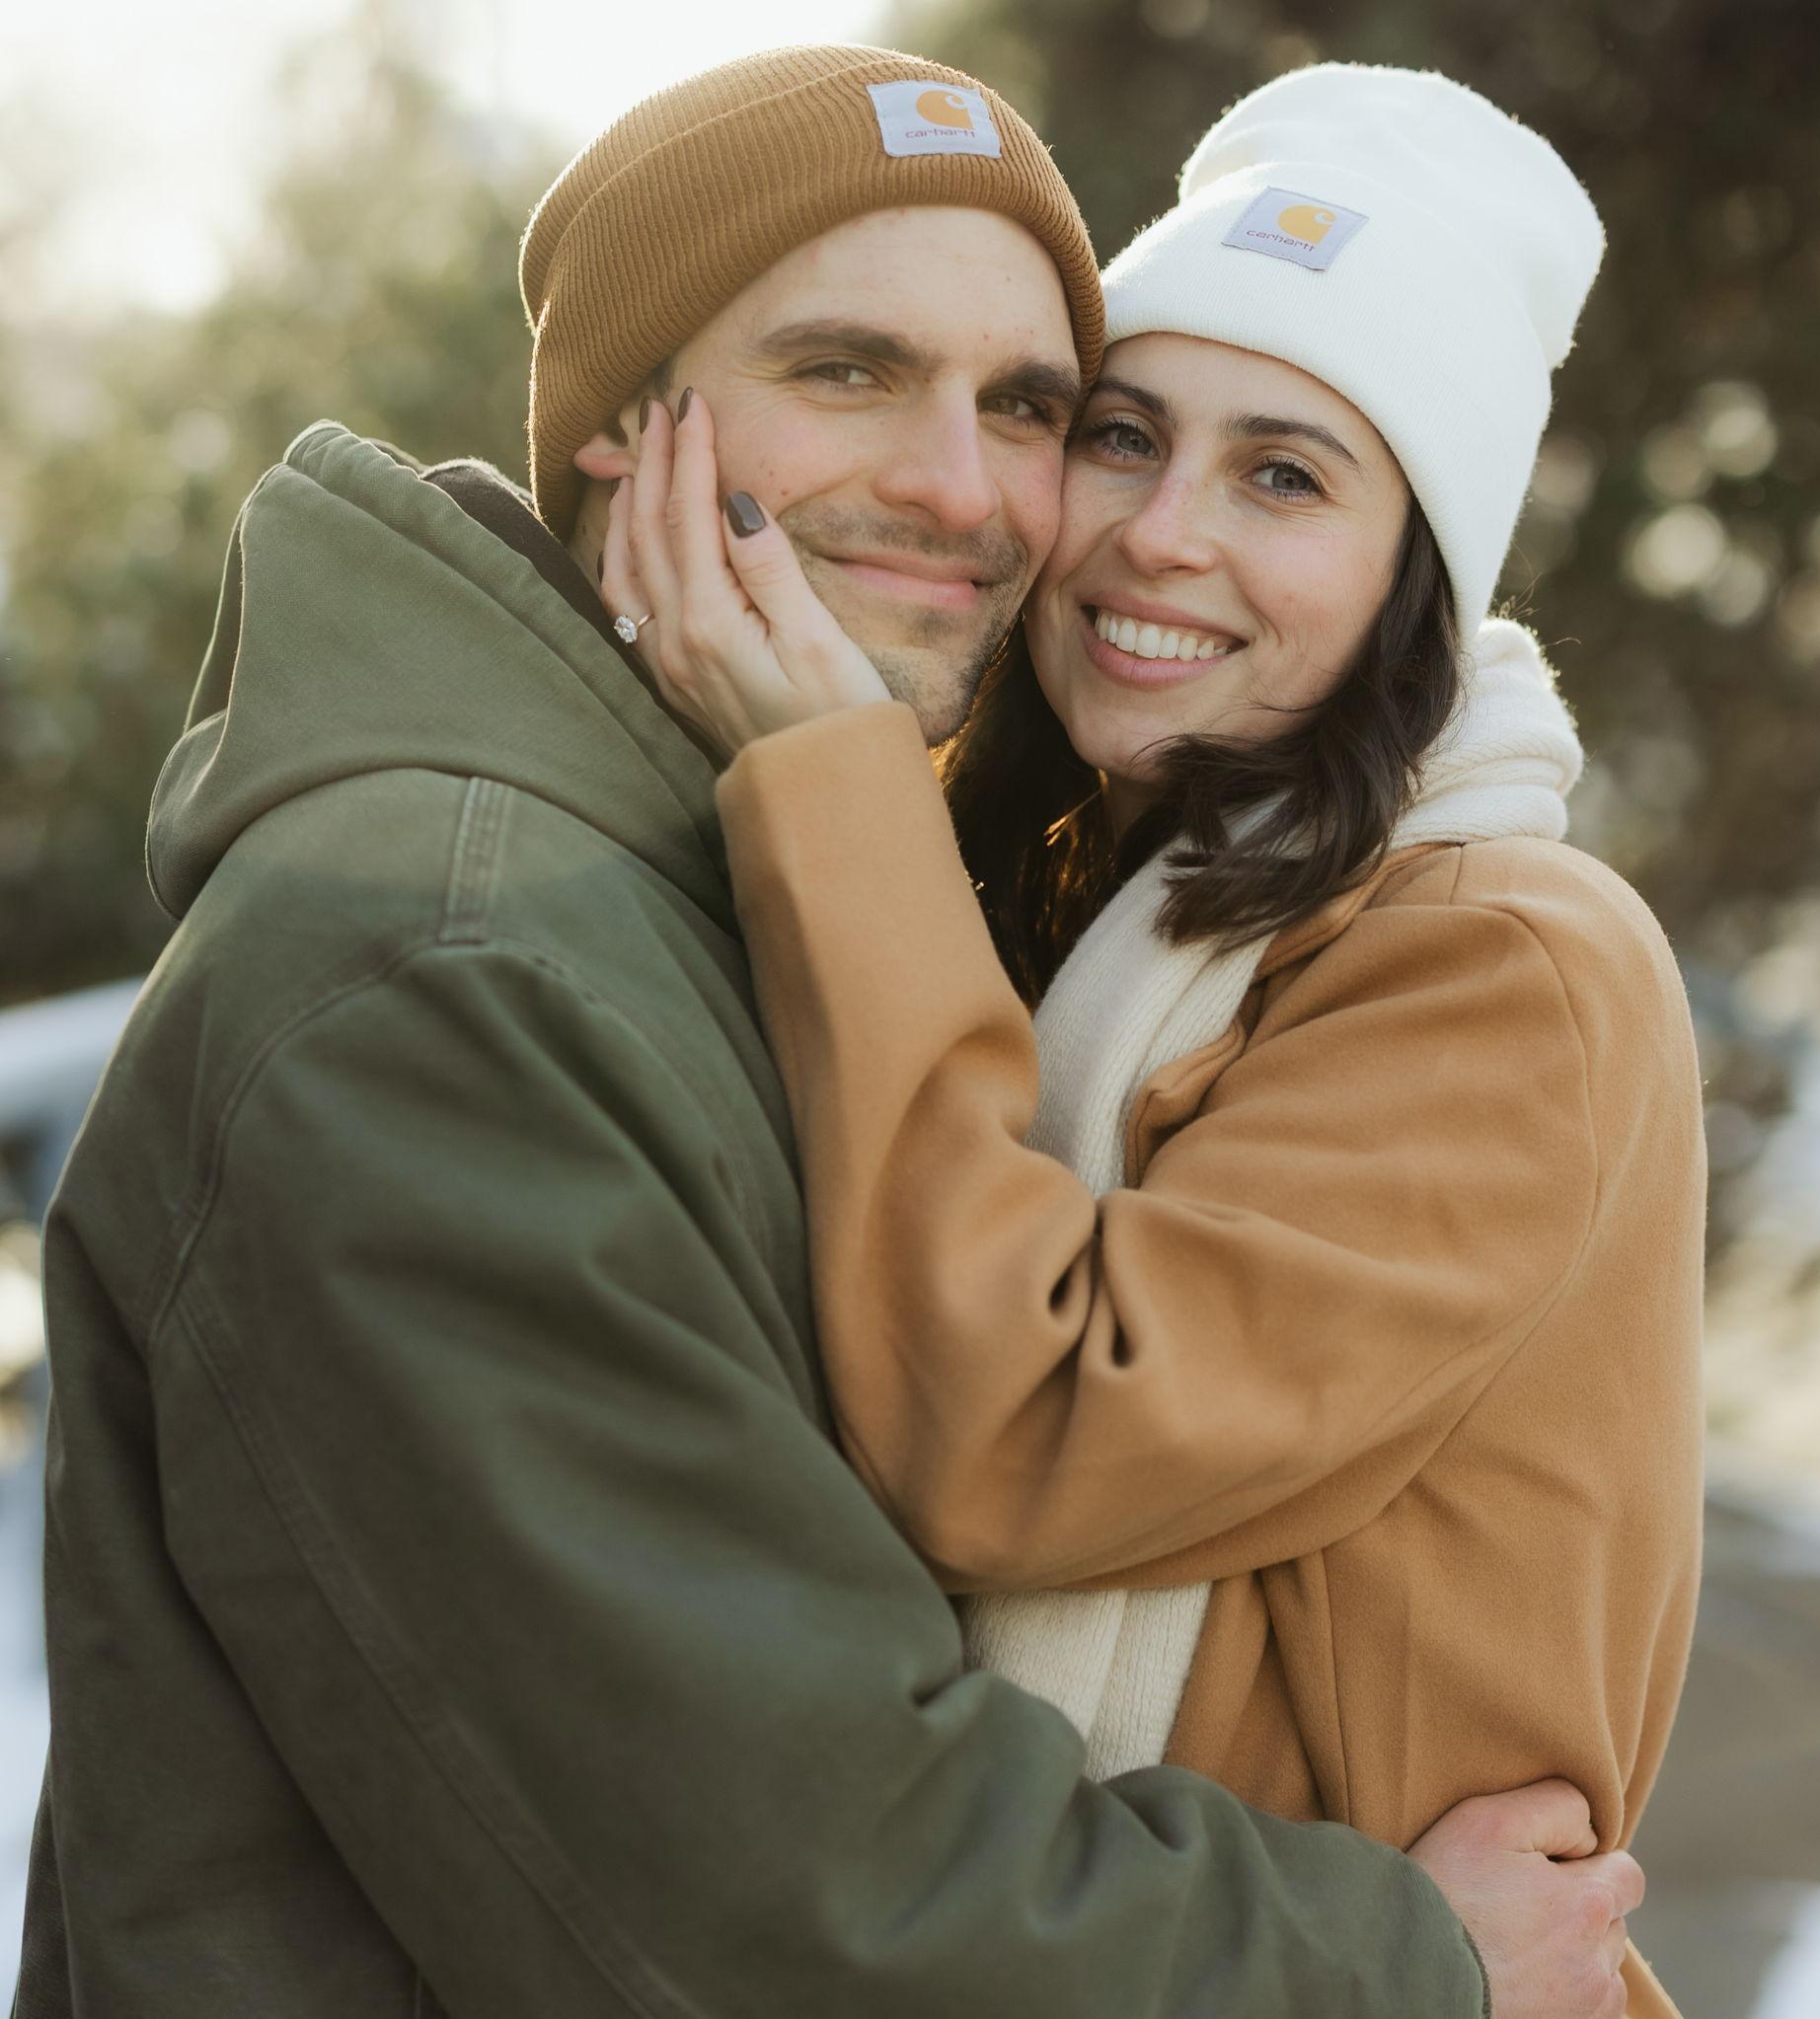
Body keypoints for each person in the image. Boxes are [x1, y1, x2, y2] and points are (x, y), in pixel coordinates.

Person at [16, 45, 1637, 2019]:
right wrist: (1398, 1968)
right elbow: (786, 1897)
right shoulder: (455, 976)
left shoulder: (777, 893)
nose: (979, 494)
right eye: (849, 370)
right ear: (627, 424)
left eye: (1026, 406)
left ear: (1420, 576)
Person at [596, 61, 1705, 2019]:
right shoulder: (1066, 865)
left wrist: (820, 779)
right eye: (1122, 435)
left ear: (1409, 583)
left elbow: (1030, 1437)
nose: (1153, 537)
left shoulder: (1508, 958)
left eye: (1284, 474)